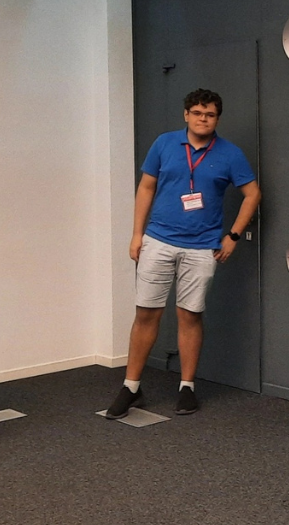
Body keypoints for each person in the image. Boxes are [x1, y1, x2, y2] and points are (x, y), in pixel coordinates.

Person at [106, 88, 261, 418]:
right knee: (146, 313)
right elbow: (146, 187)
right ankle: (131, 386)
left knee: (190, 315)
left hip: (202, 246)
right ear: (186, 115)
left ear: (217, 119)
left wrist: (232, 236)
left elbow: (252, 193)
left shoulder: (229, 154)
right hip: (158, 241)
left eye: (210, 115)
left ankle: (187, 387)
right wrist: (137, 235)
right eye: (198, 113)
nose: (203, 119)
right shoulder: (164, 143)